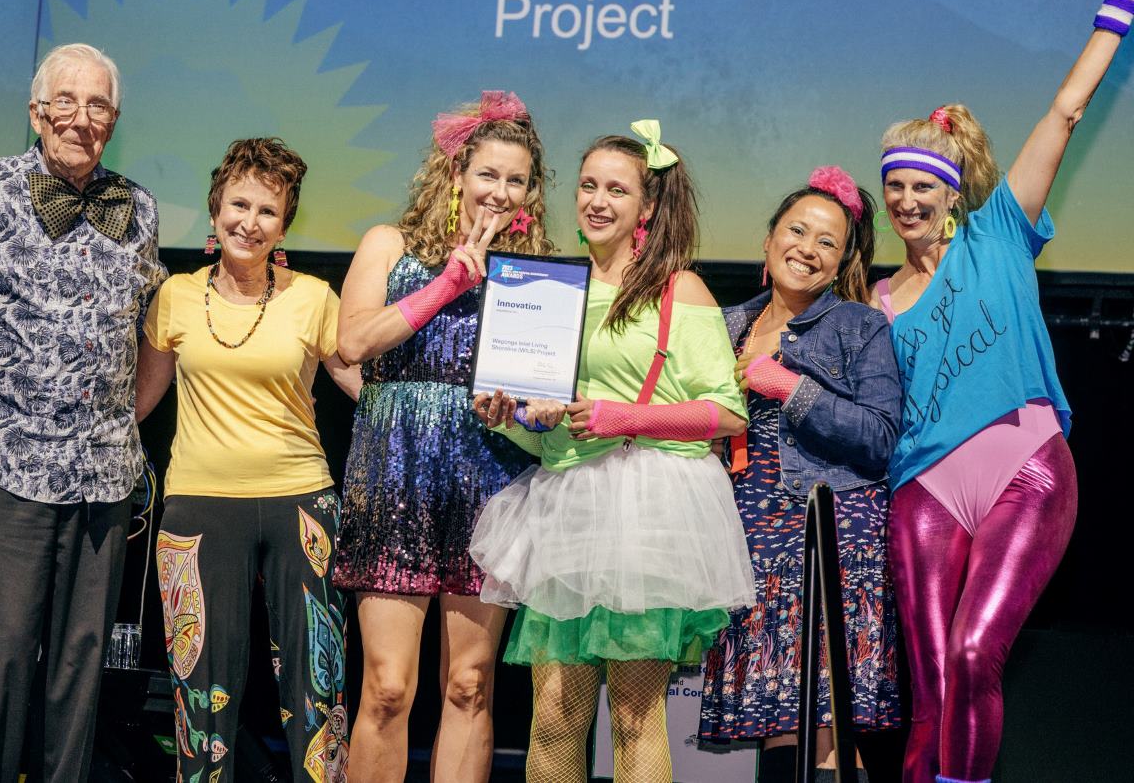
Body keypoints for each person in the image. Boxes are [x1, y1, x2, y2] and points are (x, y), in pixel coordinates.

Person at [871, 0, 1134, 783]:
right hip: (923, 485)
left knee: (977, 649)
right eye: (895, 188)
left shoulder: (999, 237)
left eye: (924, 186)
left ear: (953, 191)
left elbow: (1063, 113)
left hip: (1025, 464)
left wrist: (1118, 8)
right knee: (930, 682)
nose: (908, 201)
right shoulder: (875, 300)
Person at [470, 121, 756, 782]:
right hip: (568, 503)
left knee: (633, 715)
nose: (597, 200)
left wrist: (620, 416)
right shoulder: (553, 284)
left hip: (647, 509)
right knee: (551, 717)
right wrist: (507, 416)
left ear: (646, 207)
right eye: (588, 185)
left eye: (617, 190)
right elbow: (550, 425)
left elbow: (726, 409)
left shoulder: (677, 290)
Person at [0, 42, 165, 781]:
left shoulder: (139, 209)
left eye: (99, 105)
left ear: (115, 120)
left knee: (79, 676)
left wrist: (124, 424)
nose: (81, 118)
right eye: (66, 101)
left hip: (101, 479)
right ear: (36, 112)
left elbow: (153, 332)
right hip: (3, 470)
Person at [332, 91, 554, 782]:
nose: (501, 191)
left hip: (486, 479)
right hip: (393, 474)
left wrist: (521, 409)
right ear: (455, 172)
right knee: (388, 687)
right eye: (488, 174)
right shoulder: (388, 244)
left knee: (469, 685)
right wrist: (452, 279)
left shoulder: (534, 273)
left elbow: (541, 392)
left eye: (516, 180)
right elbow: (354, 341)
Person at [135, 137, 361, 781]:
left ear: (284, 224)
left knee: (318, 694)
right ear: (214, 210)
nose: (249, 222)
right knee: (199, 693)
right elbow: (138, 405)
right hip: (198, 510)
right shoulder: (175, 296)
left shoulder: (315, 297)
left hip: (302, 503)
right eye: (239, 204)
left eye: (268, 211)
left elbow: (365, 387)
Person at [696, 168, 903, 782]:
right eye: (797, 230)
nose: (807, 250)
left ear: (841, 263)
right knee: (779, 720)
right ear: (767, 240)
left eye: (827, 243)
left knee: (827, 722)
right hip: (747, 533)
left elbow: (879, 438)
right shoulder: (724, 326)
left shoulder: (859, 327)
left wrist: (787, 386)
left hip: (828, 529)